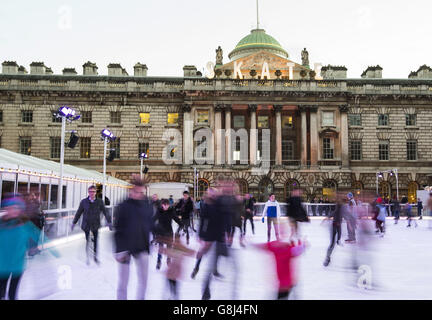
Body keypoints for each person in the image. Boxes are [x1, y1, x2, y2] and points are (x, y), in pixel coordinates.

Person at [0, 194, 59, 300]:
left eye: (16, 208)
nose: (13, 210)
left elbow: (40, 236)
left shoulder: (25, 225)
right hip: (2, 266)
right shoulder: (1, 225)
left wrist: (53, 250)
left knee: (13, 293)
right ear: (6, 208)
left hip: (17, 266)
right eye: (10, 207)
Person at [114, 176, 154, 300]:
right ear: (131, 191)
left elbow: (150, 224)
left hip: (142, 247)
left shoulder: (147, 205)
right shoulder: (123, 206)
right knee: (123, 283)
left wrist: (161, 235)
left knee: (144, 281)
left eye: (142, 192)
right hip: (126, 249)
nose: (139, 195)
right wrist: (119, 250)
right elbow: (118, 229)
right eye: (137, 192)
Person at [254, 223, 307, 300]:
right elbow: (262, 246)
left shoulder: (287, 248)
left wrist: (303, 246)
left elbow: (298, 250)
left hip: (286, 284)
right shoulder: (275, 246)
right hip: (284, 283)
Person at [72, 185, 112, 265]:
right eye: (90, 191)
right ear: (88, 192)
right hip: (86, 224)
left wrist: (109, 222)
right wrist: (74, 222)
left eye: (93, 192)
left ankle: (95, 256)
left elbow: (105, 212)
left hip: (95, 224)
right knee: (88, 240)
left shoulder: (100, 202)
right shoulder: (84, 202)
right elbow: (79, 213)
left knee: (96, 241)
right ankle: (87, 256)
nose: (92, 193)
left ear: (95, 192)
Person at [153, 198, 182, 270]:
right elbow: (153, 219)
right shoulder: (159, 211)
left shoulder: (171, 211)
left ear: (169, 205)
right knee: (161, 248)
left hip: (169, 232)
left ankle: (168, 260)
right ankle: (159, 261)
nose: (166, 207)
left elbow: (176, 218)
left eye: (167, 205)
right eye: (164, 205)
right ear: (162, 205)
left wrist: (181, 223)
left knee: (169, 248)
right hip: (160, 232)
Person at [162, 236, 195, 300]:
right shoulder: (173, 249)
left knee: (174, 288)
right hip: (170, 272)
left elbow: (192, 252)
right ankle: (170, 297)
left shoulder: (181, 250)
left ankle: (173, 297)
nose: (175, 242)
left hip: (175, 273)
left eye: (177, 241)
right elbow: (165, 251)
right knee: (169, 288)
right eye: (175, 241)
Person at [323, 195, 343, 266]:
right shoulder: (338, 206)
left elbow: (341, 214)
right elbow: (334, 213)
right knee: (332, 243)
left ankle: (328, 257)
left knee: (336, 241)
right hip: (335, 225)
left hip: (338, 225)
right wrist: (328, 217)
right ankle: (327, 258)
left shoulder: (341, 206)